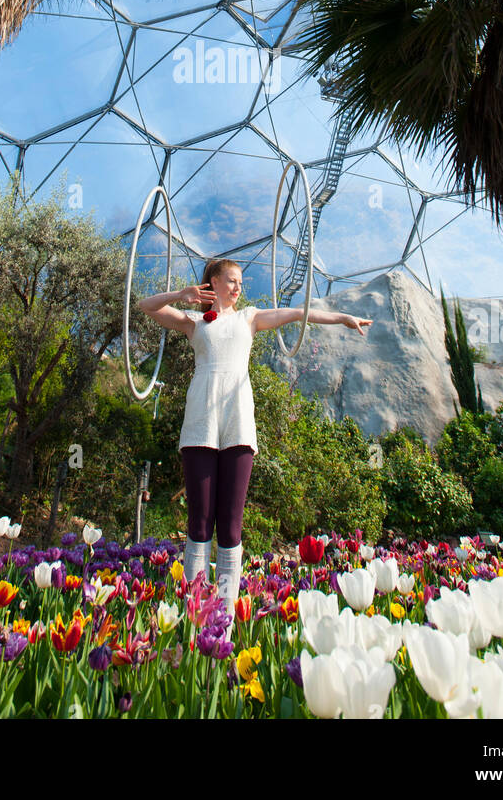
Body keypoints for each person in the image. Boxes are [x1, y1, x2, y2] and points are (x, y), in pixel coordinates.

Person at [137, 257, 372, 623]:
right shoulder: (194, 322)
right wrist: (182, 294)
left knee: (231, 524)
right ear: (212, 282)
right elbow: (144, 307)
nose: (237, 288)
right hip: (201, 424)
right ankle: (194, 611)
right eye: (231, 281)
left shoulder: (249, 317)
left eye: (240, 283)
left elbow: (297, 313)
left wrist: (343, 318)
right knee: (199, 523)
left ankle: (224, 618)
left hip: (238, 426)